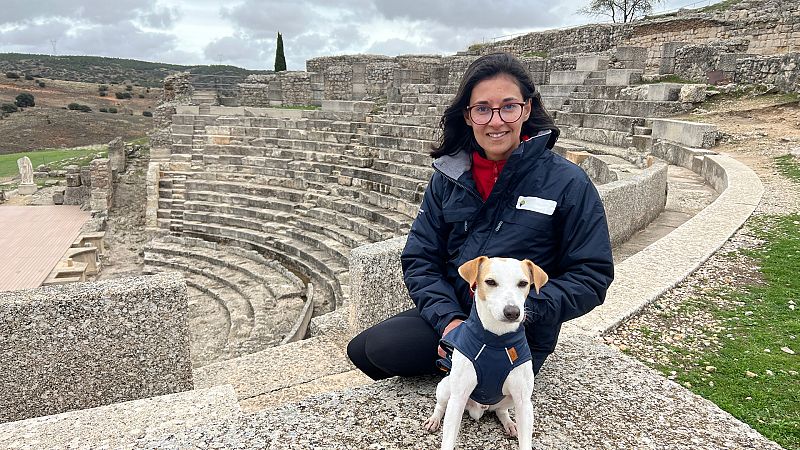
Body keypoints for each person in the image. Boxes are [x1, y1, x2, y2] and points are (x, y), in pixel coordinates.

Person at [347, 52, 614, 380]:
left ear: (526, 109)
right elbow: (420, 257)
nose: (496, 120)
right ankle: (457, 367)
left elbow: (592, 275)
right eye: (483, 109)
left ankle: (475, 380)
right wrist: (449, 322)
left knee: (386, 349)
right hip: (457, 312)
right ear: (469, 115)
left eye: (509, 106)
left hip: (517, 327)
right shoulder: (449, 175)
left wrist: (519, 309)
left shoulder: (568, 182)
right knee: (362, 350)